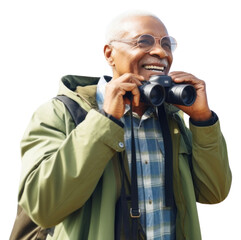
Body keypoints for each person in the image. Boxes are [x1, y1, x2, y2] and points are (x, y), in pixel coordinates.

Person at [17, 12, 232, 240]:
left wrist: (203, 120)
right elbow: (42, 208)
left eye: (167, 44)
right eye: (144, 41)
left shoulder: (172, 119)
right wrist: (105, 121)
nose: (161, 52)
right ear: (110, 54)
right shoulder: (60, 113)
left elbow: (213, 192)